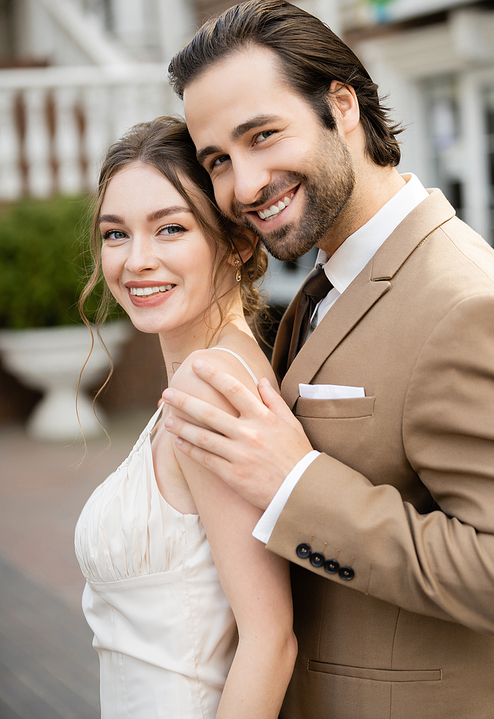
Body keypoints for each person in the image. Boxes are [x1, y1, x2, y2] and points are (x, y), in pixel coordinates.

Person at [162, 0, 494, 719]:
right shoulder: (330, 279)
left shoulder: (462, 300)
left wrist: (298, 485)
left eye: (262, 135)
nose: (245, 185)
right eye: (218, 159)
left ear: (340, 104)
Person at [74, 115, 297, 719]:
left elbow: (270, 639)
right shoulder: (216, 368)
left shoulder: (210, 386)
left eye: (169, 228)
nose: (136, 260)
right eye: (115, 234)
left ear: (237, 243)